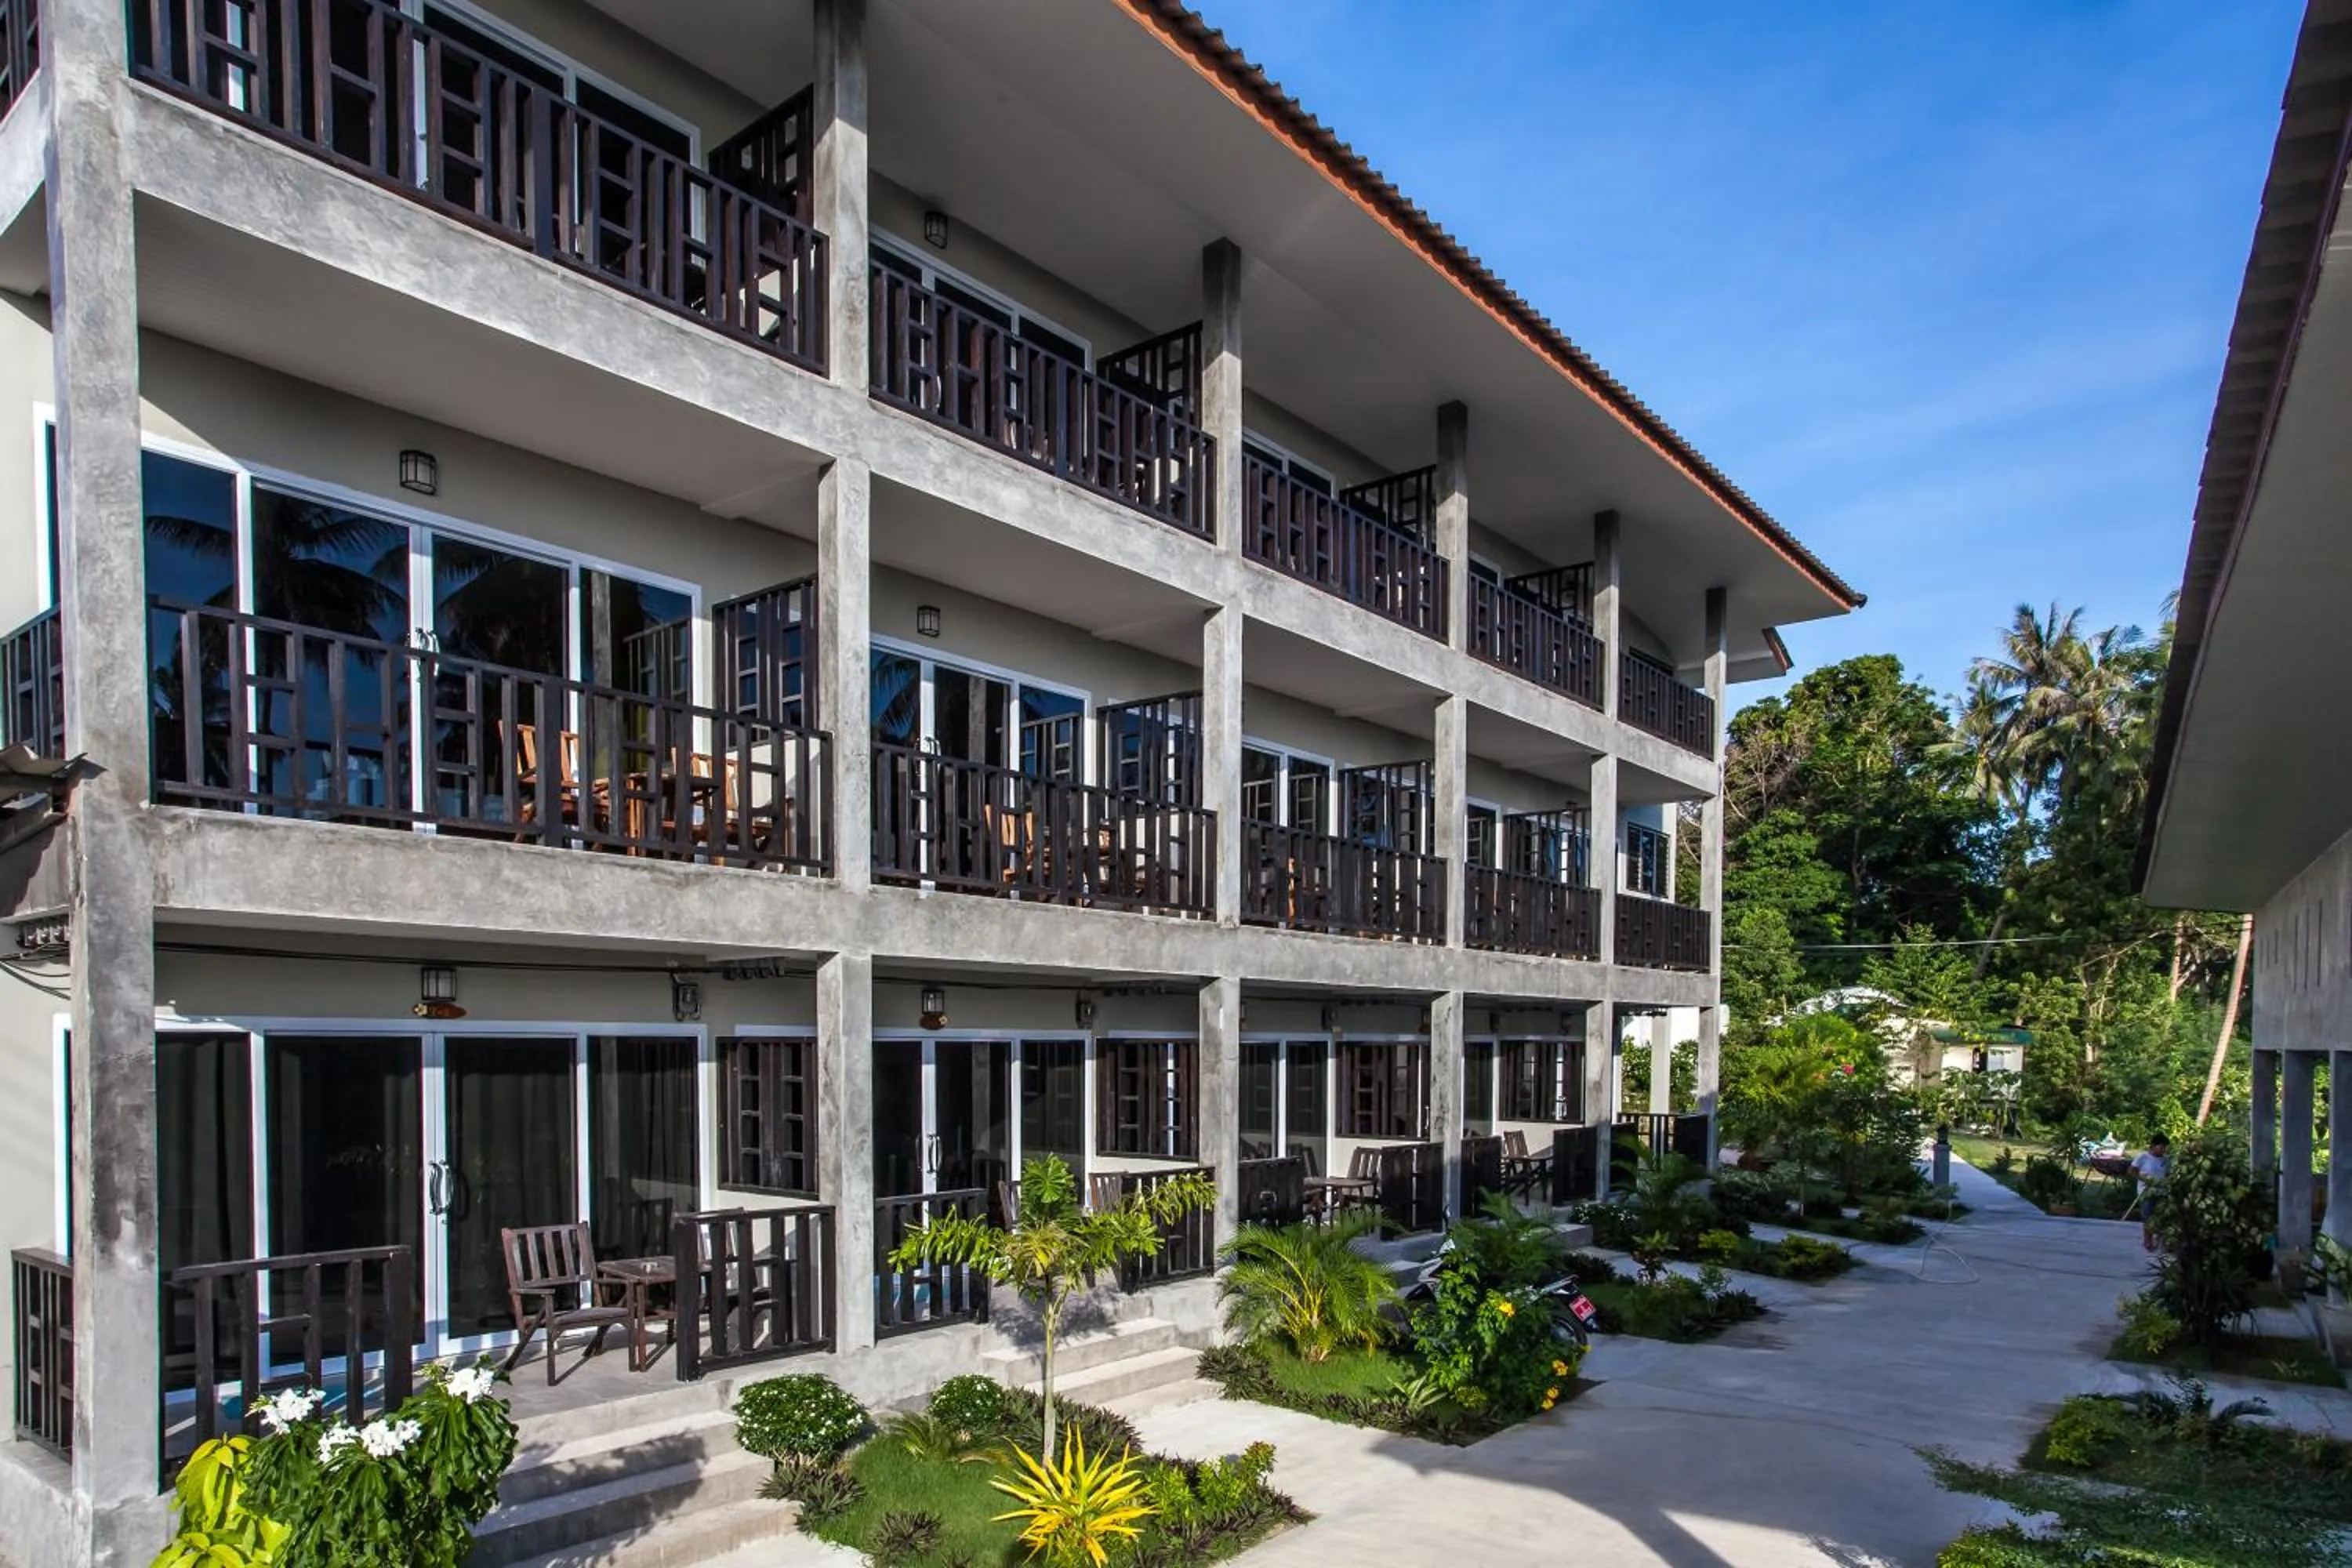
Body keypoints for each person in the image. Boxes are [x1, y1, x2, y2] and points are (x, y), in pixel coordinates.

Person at [2131, 1134, 2171, 1251]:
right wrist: (2145, 1180)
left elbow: (2168, 1174)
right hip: (2146, 1192)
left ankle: (2161, 1241)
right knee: (2148, 1217)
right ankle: (2147, 1241)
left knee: (2161, 1217)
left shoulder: (2166, 1160)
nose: (2164, 1150)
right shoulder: (2143, 1157)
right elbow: (2132, 1171)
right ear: (2153, 1146)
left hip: (2162, 1192)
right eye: (2161, 1147)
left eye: (2165, 1148)